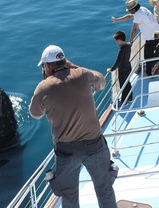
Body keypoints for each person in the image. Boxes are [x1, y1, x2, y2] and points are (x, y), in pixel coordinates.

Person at [29, 45, 117, 208]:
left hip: (66, 151)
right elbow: (102, 82)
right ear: (65, 61)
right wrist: (74, 66)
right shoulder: (82, 74)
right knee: (104, 188)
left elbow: (35, 113)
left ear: (47, 66)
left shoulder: (43, 87)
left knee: (69, 195)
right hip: (95, 145)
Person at [112, 0, 159, 76]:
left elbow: (134, 29)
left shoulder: (138, 15)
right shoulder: (142, 9)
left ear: (133, 9)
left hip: (151, 38)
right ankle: (154, 64)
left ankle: (149, 73)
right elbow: (130, 16)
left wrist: (131, 41)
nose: (129, 12)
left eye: (129, 10)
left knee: (147, 56)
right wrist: (117, 20)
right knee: (154, 52)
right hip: (158, 34)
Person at [107, 31, 133, 105]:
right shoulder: (128, 45)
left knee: (123, 85)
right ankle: (130, 97)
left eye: (116, 41)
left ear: (119, 40)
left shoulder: (122, 50)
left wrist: (111, 69)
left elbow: (118, 62)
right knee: (127, 83)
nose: (116, 43)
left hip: (123, 70)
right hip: (128, 67)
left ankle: (124, 101)